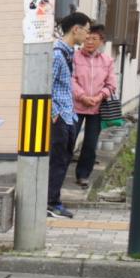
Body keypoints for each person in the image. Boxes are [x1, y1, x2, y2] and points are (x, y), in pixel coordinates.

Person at [48, 11, 91, 218]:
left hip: (68, 115)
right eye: (87, 31)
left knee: (63, 160)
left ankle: (54, 201)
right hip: (59, 117)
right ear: (76, 29)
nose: (88, 36)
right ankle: (50, 203)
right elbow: (45, 86)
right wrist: (54, 114)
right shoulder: (57, 54)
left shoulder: (68, 53)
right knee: (57, 161)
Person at [72, 23, 116, 190]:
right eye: (87, 38)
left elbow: (111, 84)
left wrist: (99, 96)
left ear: (101, 41)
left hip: (96, 108)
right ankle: (58, 173)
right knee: (69, 141)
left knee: (90, 143)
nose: (89, 41)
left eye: (94, 38)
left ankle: (83, 175)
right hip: (76, 106)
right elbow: (71, 79)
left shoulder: (107, 60)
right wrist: (82, 96)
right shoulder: (74, 57)